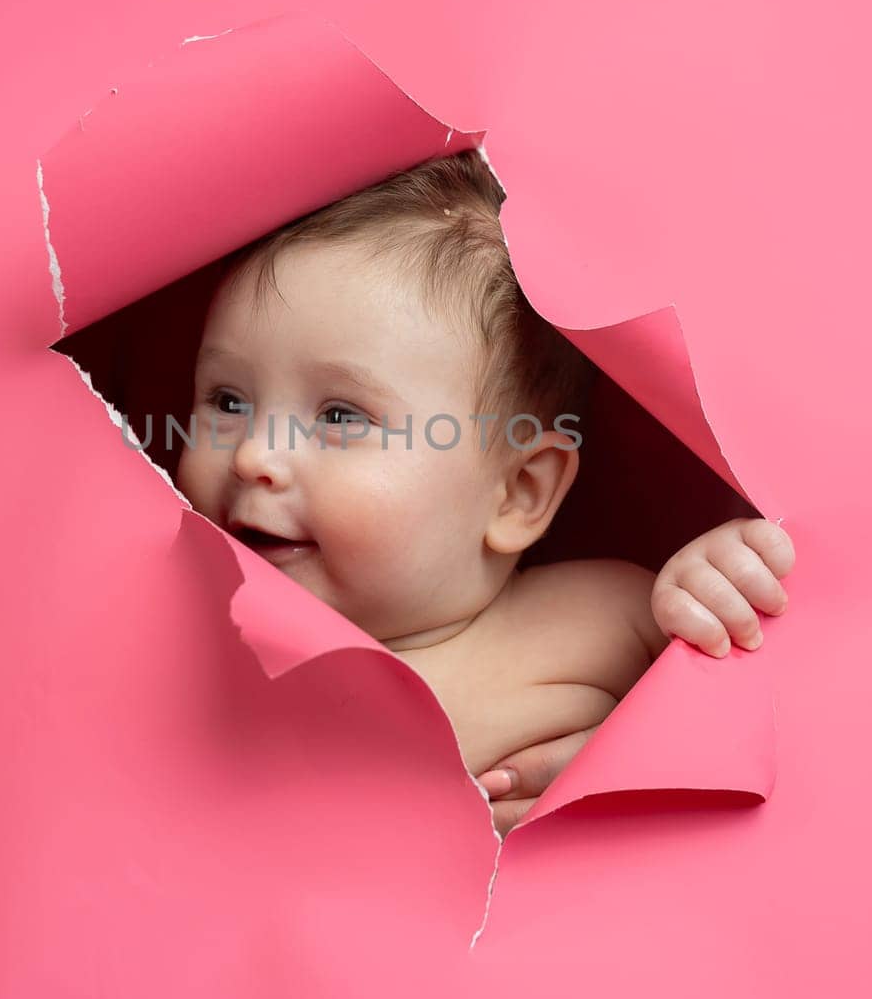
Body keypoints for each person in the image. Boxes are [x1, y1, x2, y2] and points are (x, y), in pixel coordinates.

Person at [173, 150, 795, 835]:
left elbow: (765, 723)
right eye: (227, 400)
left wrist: (628, 759)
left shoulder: (607, 618)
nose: (256, 454)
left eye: (340, 417)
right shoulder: (182, 638)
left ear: (518, 494)